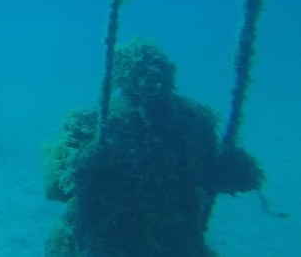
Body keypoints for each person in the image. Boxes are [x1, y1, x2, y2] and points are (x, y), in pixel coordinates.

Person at [43, 39, 263, 256]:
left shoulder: (195, 122)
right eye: (144, 72)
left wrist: (234, 166)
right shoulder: (90, 123)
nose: (153, 79)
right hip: (104, 244)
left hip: (176, 245)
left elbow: (221, 179)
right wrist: (85, 160)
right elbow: (58, 189)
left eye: (159, 70)